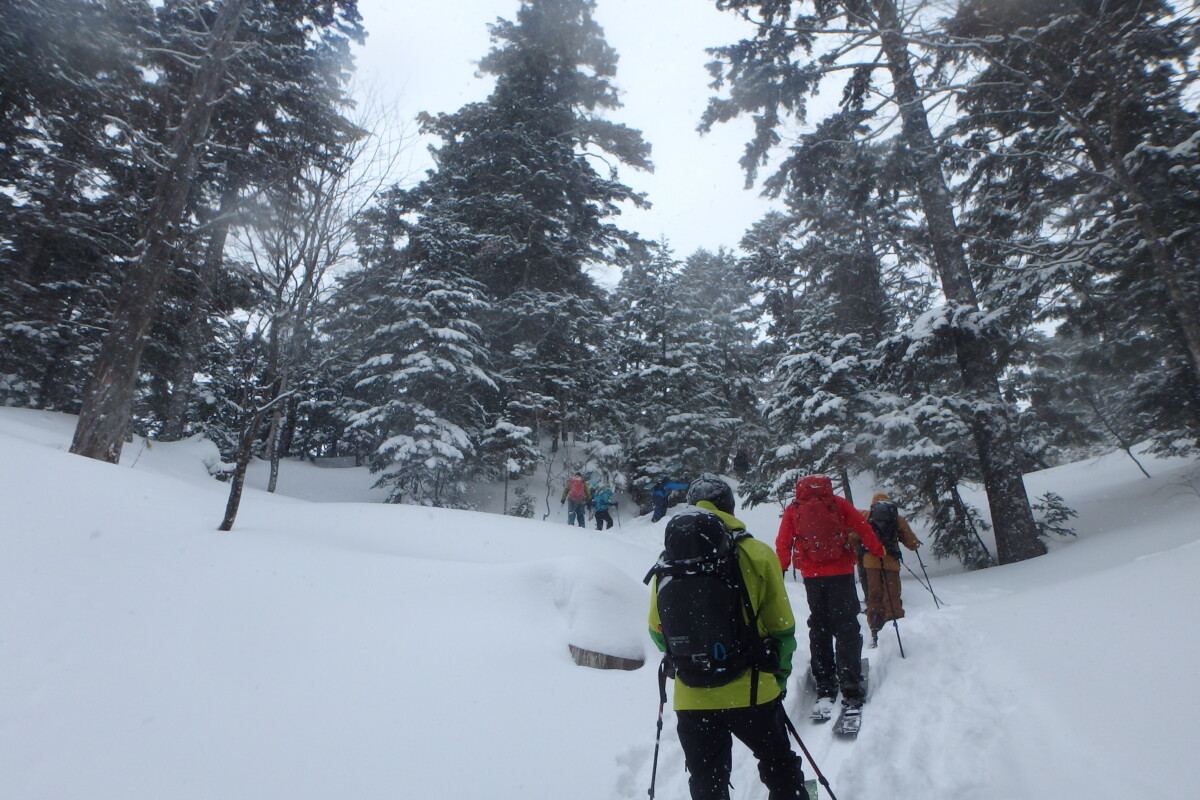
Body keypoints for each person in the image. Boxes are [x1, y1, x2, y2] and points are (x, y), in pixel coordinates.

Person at [648, 475, 808, 800]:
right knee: (779, 766)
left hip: (692, 696)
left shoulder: (671, 560)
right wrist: (778, 678)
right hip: (753, 691)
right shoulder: (758, 553)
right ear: (730, 507)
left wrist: (697, 660)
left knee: (707, 780)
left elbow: (657, 630)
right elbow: (782, 628)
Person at [776, 475, 885, 723]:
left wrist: (781, 569)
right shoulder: (837, 503)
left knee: (820, 625)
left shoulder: (795, 509)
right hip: (841, 572)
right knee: (846, 625)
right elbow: (862, 527)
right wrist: (878, 551)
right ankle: (850, 684)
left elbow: (783, 541)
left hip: (812, 576)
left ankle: (825, 684)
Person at [861, 492, 922, 648]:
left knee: (874, 597)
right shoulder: (896, 518)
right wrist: (915, 543)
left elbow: (854, 537)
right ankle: (897, 628)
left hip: (870, 563)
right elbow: (911, 542)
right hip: (890, 563)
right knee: (892, 596)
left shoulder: (867, 516)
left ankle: (875, 630)